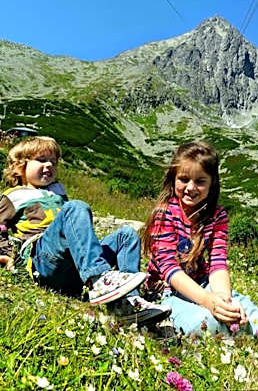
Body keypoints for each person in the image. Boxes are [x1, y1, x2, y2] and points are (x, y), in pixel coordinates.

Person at [142, 141, 258, 350]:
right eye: (183, 179)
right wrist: (209, 302)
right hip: (165, 291)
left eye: (200, 181)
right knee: (205, 321)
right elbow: (169, 270)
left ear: (212, 184)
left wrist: (223, 300)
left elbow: (218, 264)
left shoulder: (218, 216)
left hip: (203, 284)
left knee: (250, 317)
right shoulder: (164, 214)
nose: (190, 188)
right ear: (173, 179)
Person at [0, 136, 168, 326]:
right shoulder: (14, 196)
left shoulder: (57, 190)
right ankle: (98, 279)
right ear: (20, 166)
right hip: (44, 260)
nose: (49, 166)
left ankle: (128, 301)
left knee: (127, 236)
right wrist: (6, 254)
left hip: (72, 267)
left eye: (53, 162)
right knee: (76, 207)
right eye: (41, 160)